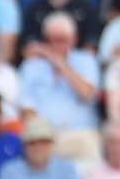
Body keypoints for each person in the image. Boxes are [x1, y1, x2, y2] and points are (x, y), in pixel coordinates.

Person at [18, 11, 101, 162]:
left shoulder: (86, 60)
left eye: (60, 40)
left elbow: (87, 93)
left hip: (80, 134)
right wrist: (40, 133)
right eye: (49, 40)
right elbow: (27, 107)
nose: (54, 45)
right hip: (45, 137)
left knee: (88, 149)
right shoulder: (31, 65)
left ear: (73, 39)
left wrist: (60, 64)